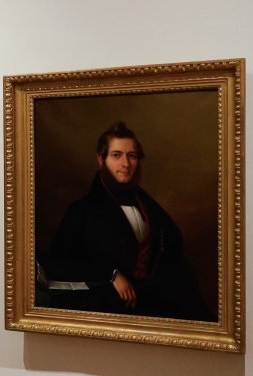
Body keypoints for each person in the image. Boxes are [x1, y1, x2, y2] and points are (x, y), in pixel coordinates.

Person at [41, 122, 210, 320]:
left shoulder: (151, 209)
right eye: (116, 155)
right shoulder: (81, 211)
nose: (126, 164)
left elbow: (173, 257)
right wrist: (110, 274)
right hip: (106, 305)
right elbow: (57, 264)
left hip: (153, 301)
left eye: (132, 156)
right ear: (101, 159)